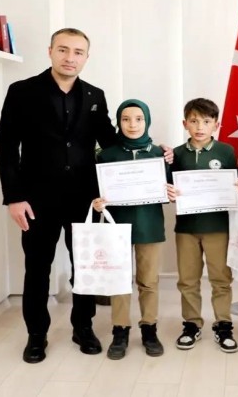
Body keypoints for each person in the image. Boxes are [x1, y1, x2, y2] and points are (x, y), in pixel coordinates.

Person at [0, 28, 115, 363]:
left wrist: (151, 150)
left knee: (85, 267)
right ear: (50, 51)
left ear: (87, 57)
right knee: (37, 269)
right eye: (63, 50)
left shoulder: (95, 95)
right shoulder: (22, 91)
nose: (70, 58)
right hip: (36, 199)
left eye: (78, 52)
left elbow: (109, 142)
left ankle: (83, 327)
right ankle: (36, 335)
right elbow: (8, 147)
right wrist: (14, 197)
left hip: (85, 199)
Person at [92, 99, 169, 360]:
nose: (132, 124)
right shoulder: (106, 155)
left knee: (149, 281)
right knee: (119, 279)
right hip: (117, 227)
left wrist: (171, 191)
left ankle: (149, 328)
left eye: (138, 119)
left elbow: (170, 188)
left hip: (150, 226)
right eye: (126, 119)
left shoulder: (160, 155)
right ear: (118, 122)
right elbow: (96, 191)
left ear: (147, 121)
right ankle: (120, 330)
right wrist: (97, 202)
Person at [167, 98, 238, 353]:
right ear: (184, 123)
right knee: (188, 279)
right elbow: (167, 187)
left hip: (218, 227)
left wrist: (237, 187)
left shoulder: (226, 152)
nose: (200, 127)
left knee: (221, 279)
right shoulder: (175, 154)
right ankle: (191, 324)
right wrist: (170, 192)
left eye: (206, 122)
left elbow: (236, 186)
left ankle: (223, 325)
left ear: (216, 125)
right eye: (194, 121)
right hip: (186, 228)